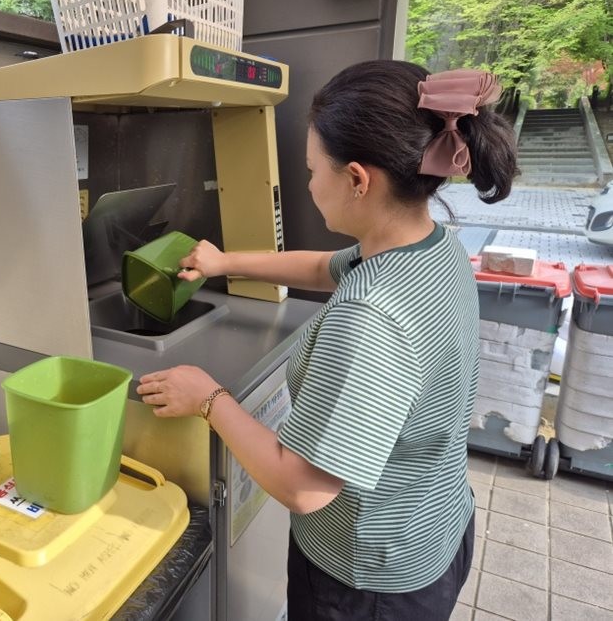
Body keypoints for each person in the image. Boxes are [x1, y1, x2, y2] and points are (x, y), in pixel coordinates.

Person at [135, 60, 519, 620]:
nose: (310, 183)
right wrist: (224, 261)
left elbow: (305, 486)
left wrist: (209, 398)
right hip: (433, 530)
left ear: (358, 179)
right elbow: (322, 267)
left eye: (314, 170)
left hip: (367, 581)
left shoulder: (370, 317)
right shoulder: (432, 248)